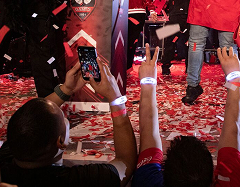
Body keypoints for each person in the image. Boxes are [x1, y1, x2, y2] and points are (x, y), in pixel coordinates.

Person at [0, 60, 137, 186]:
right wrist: (115, 97)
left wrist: (66, 89)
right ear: (61, 142)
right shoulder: (80, 180)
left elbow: (35, 113)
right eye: (63, 118)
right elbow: (126, 162)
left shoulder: (6, 157)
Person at [132, 44, 240, 187]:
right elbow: (233, 128)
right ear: (213, 178)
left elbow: (147, 130)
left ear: (163, 173)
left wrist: (148, 82)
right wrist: (234, 77)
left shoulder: (148, 182)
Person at [160, 0, 196, 75]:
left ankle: (189, 67)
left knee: (189, 42)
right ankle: (165, 65)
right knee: (169, 40)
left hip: (189, 14)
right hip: (175, 13)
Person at [118, 0, 155, 70]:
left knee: (120, 41)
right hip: (138, 15)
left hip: (120, 14)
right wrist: (152, 11)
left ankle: (119, 66)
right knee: (131, 42)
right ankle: (128, 67)